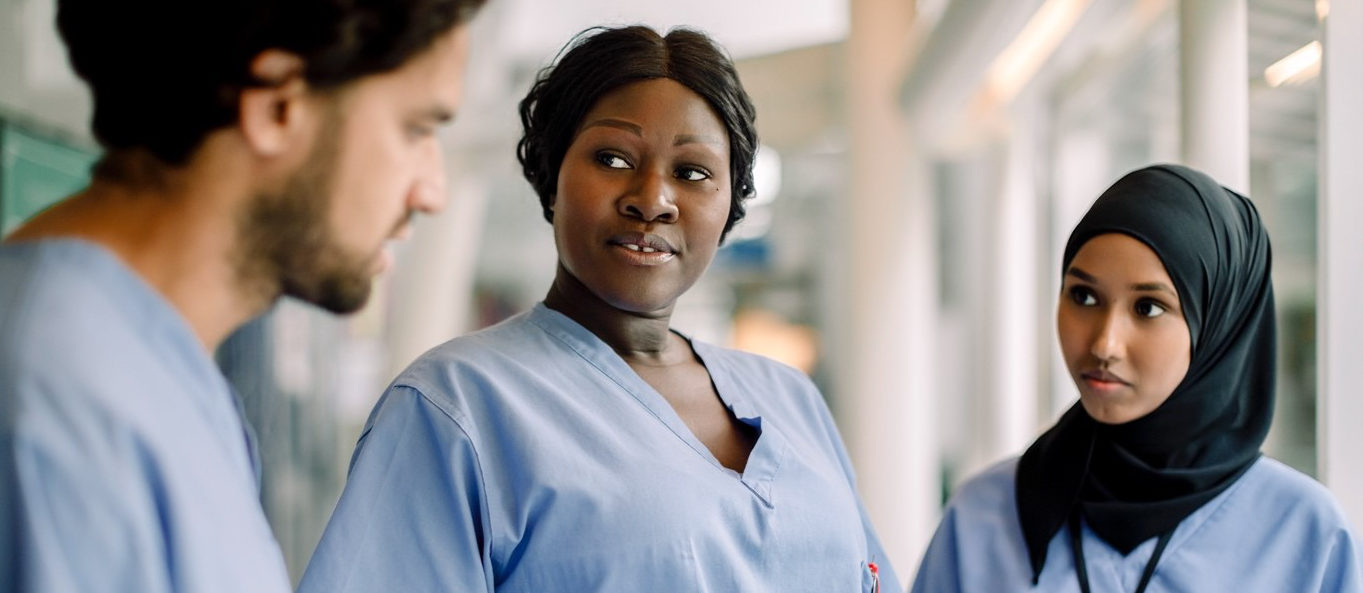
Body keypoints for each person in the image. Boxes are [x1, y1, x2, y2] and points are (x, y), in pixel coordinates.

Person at [297, 25, 901, 593]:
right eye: (613, 159)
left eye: (693, 173)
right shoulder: (456, 408)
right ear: (552, 175)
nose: (653, 200)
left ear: (728, 209)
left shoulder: (791, 401)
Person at [0, 0, 484, 591]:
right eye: (417, 129)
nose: (433, 191)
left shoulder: (154, 370)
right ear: (278, 106)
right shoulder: (46, 409)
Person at [910, 164, 1363, 593]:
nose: (1105, 344)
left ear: (1218, 327)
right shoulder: (983, 518)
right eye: (1083, 296)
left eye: (1148, 307)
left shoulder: (1307, 535)